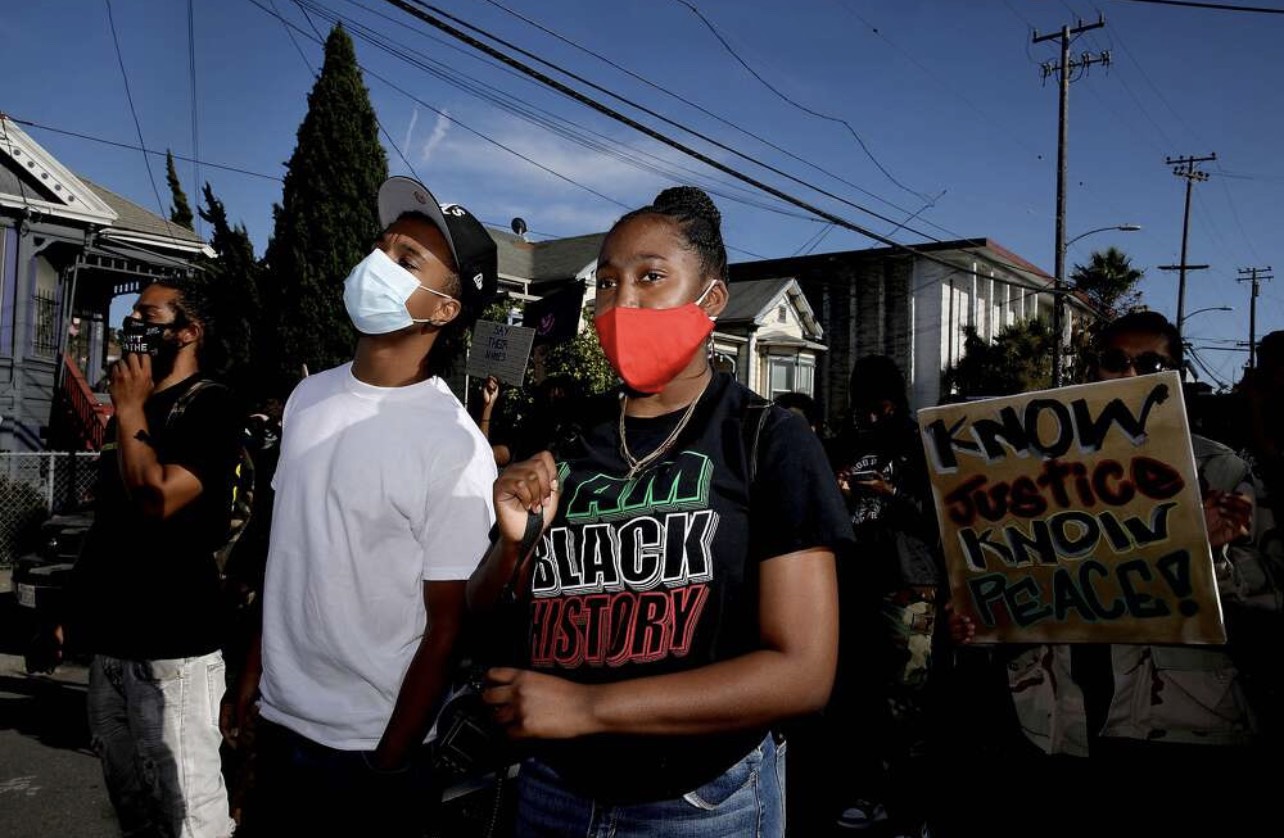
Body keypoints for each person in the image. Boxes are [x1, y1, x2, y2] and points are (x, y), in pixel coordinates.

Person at [467, 186, 852, 836]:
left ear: (713, 301)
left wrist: (590, 708)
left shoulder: (768, 440)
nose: (624, 303)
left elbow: (802, 673)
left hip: (702, 803)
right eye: (611, 283)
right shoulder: (566, 436)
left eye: (651, 277)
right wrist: (509, 545)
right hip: (553, 791)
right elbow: (478, 613)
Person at [228, 176, 500, 836]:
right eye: (382, 246)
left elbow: (448, 627)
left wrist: (390, 760)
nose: (378, 263)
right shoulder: (307, 400)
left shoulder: (454, 445)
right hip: (277, 721)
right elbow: (289, 557)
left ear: (443, 310)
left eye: (407, 259)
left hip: (367, 751)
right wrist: (252, 680)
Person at [948, 310, 1271, 835]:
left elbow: (1267, 607)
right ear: (1091, 369)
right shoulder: (1032, 471)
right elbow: (1008, 576)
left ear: (1175, 375)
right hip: (1054, 717)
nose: (1128, 373)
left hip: (1177, 724)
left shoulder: (1219, 472)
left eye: (1148, 362)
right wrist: (977, 621)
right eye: (1114, 360)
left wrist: (1209, 552)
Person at [70, 277, 243, 838]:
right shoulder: (136, 411)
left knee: (189, 817)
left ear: (188, 332)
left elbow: (156, 497)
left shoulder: (210, 405)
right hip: (113, 651)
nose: (134, 327)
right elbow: (112, 523)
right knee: (135, 813)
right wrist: (65, 615)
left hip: (173, 657)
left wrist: (128, 407)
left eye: (150, 316)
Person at [824, 355, 943, 836]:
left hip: (908, 587)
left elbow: (938, 519)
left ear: (896, 402)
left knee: (907, 702)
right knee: (861, 698)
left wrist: (890, 492)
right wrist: (839, 492)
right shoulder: (848, 444)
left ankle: (912, 810)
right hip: (857, 583)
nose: (871, 419)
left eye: (881, 408)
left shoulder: (920, 444)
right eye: (863, 410)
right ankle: (873, 794)